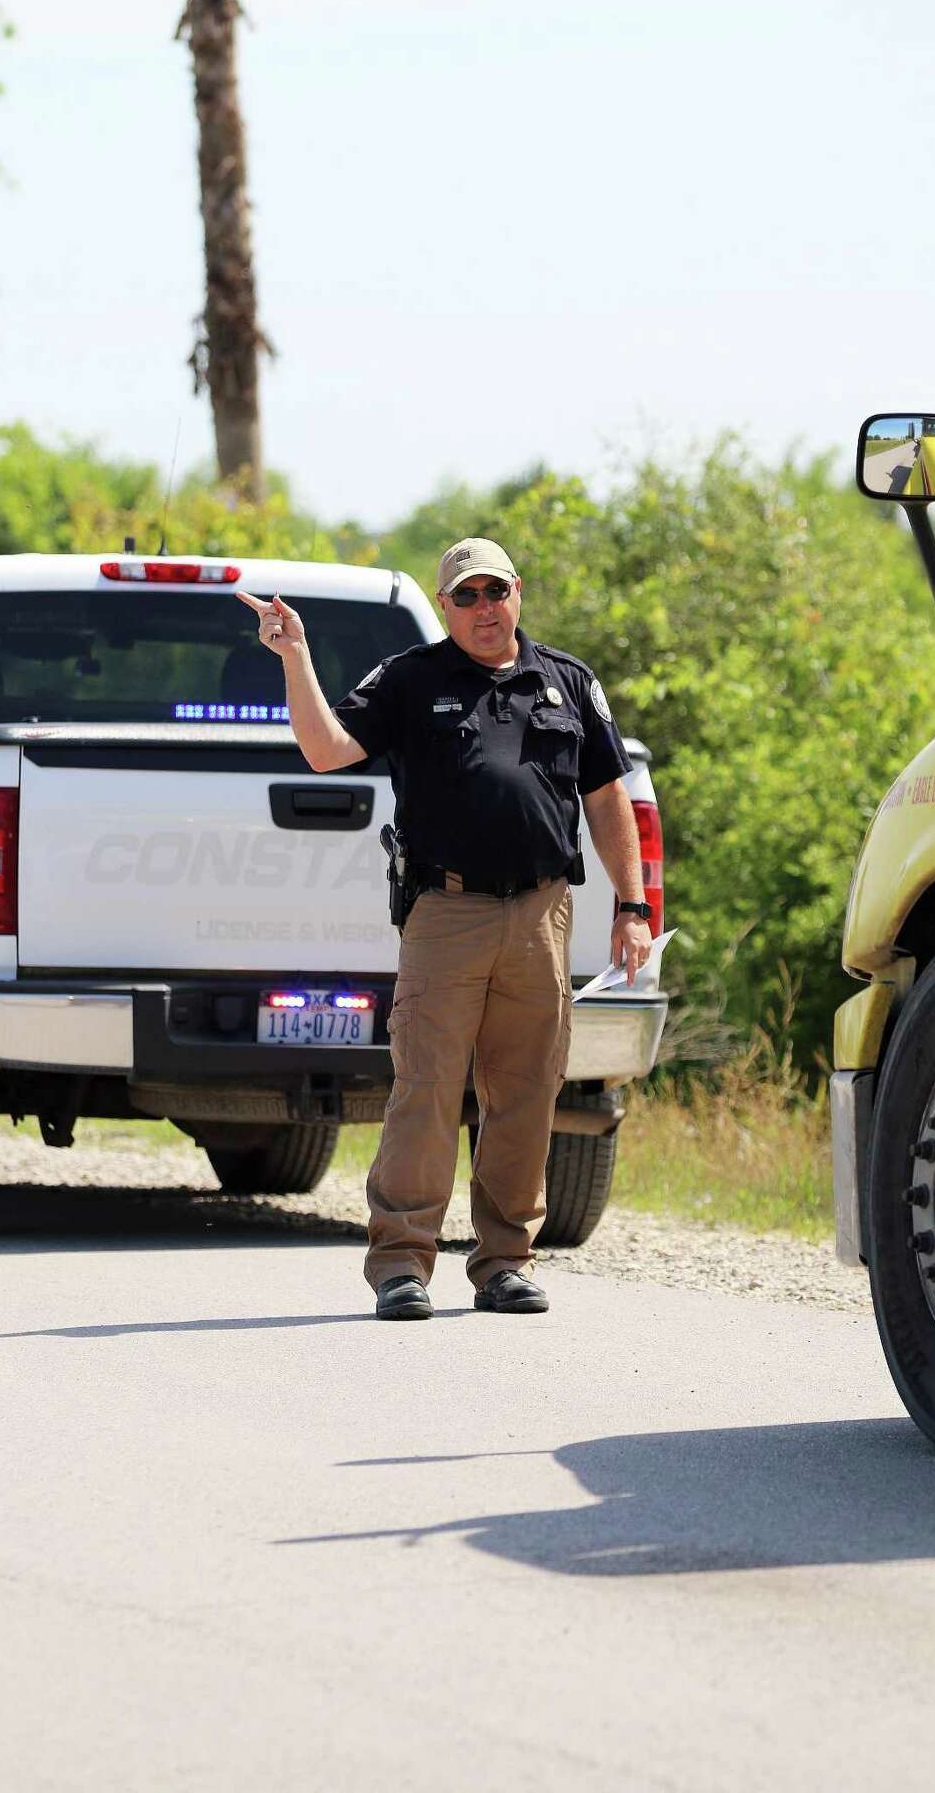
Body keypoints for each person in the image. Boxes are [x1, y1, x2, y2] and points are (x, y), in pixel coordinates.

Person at [237, 538, 652, 1320]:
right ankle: (402, 1263)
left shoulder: (566, 681)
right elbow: (326, 751)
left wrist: (633, 906)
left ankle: (504, 1262)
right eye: (466, 595)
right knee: (426, 1089)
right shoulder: (410, 678)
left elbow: (606, 799)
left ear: (517, 593)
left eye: (495, 590)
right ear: (447, 606)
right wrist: (295, 657)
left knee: (528, 1091)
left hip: (540, 914)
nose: (484, 607)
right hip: (446, 912)